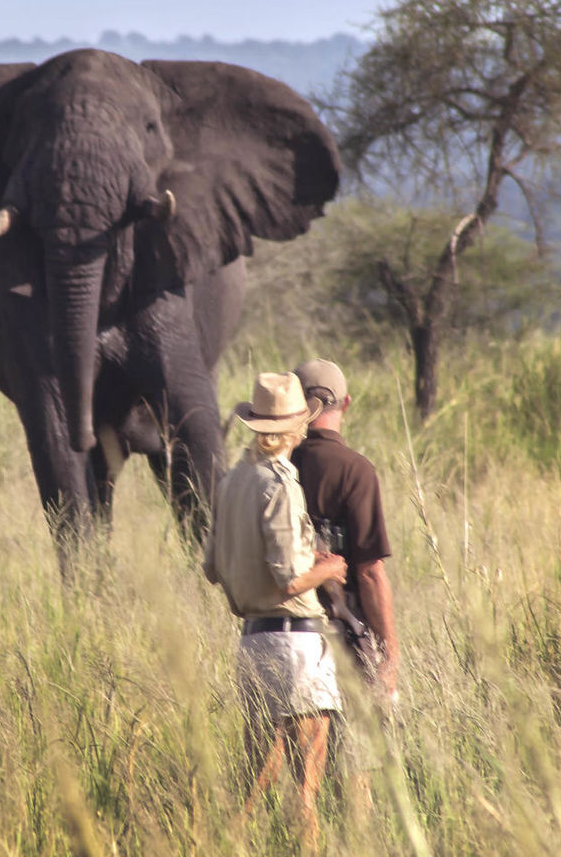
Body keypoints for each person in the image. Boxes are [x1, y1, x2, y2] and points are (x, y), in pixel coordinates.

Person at [202, 370, 348, 851]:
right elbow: (289, 577)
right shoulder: (281, 484)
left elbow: (211, 567)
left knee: (255, 780)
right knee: (305, 789)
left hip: (253, 640)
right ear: (293, 429)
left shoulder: (230, 482)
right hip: (297, 643)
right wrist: (328, 569)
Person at [289, 359, 400, 699]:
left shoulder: (278, 466)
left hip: (283, 628)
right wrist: (390, 653)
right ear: (346, 403)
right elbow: (370, 572)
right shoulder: (357, 470)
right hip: (344, 633)